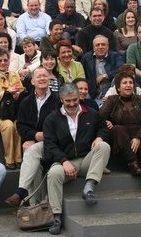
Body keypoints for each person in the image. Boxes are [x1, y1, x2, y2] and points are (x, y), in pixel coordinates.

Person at [43, 83, 110, 235]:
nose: (72, 104)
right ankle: (57, 217)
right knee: (53, 174)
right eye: (68, 101)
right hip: (65, 162)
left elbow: (103, 128)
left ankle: (89, 187)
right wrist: (64, 161)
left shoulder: (91, 113)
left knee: (104, 146)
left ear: (79, 97)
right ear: (61, 100)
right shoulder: (52, 119)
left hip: (87, 161)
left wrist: (99, 137)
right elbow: (50, 145)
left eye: (75, 100)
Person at [5, 67, 60, 207]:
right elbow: (21, 125)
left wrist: (43, 136)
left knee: (31, 153)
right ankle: (35, 207)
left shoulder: (58, 100)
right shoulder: (26, 101)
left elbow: (62, 125)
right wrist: (34, 135)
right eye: (38, 77)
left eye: (45, 76)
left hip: (54, 144)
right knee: (33, 164)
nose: (42, 78)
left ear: (49, 79)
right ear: (33, 81)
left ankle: (21, 193)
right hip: (35, 144)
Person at [98, 72, 141, 195]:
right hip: (121, 139)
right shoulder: (111, 100)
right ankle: (133, 162)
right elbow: (99, 117)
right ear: (118, 87)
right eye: (124, 83)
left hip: (140, 135)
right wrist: (107, 122)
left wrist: (138, 137)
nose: (128, 85)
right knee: (117, 129)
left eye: (131, 82)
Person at [81, 35, 123, 104]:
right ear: (94, 48)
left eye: (103, 45)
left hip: (112, 94)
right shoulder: (86, 58)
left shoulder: (115, 56)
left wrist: (105, 75)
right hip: (94, 94)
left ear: (107, 47)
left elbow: (122, 70)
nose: (100, 47)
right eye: (97, 45)